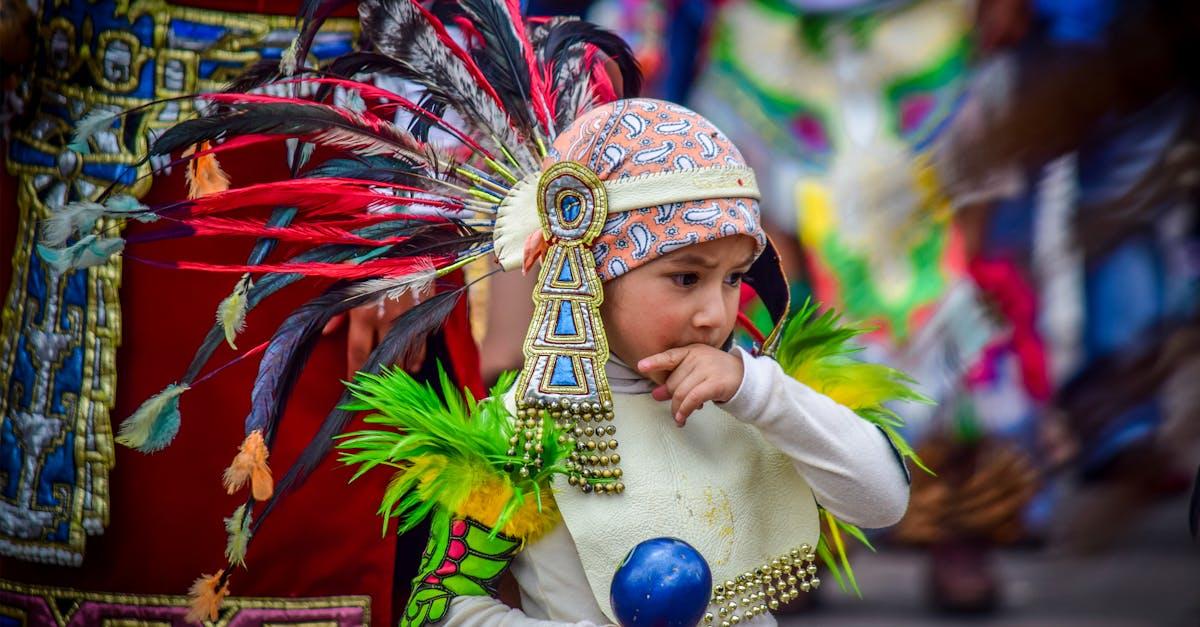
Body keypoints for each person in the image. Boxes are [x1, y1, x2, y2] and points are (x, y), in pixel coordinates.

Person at [37, 4, 917, 624]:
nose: (717, 314)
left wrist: (760, 391)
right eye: (684, 279)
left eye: (733, 281)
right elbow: (448, 604)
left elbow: (881, 496)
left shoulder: (743, 397)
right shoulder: (523, 431)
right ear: (589, 270)